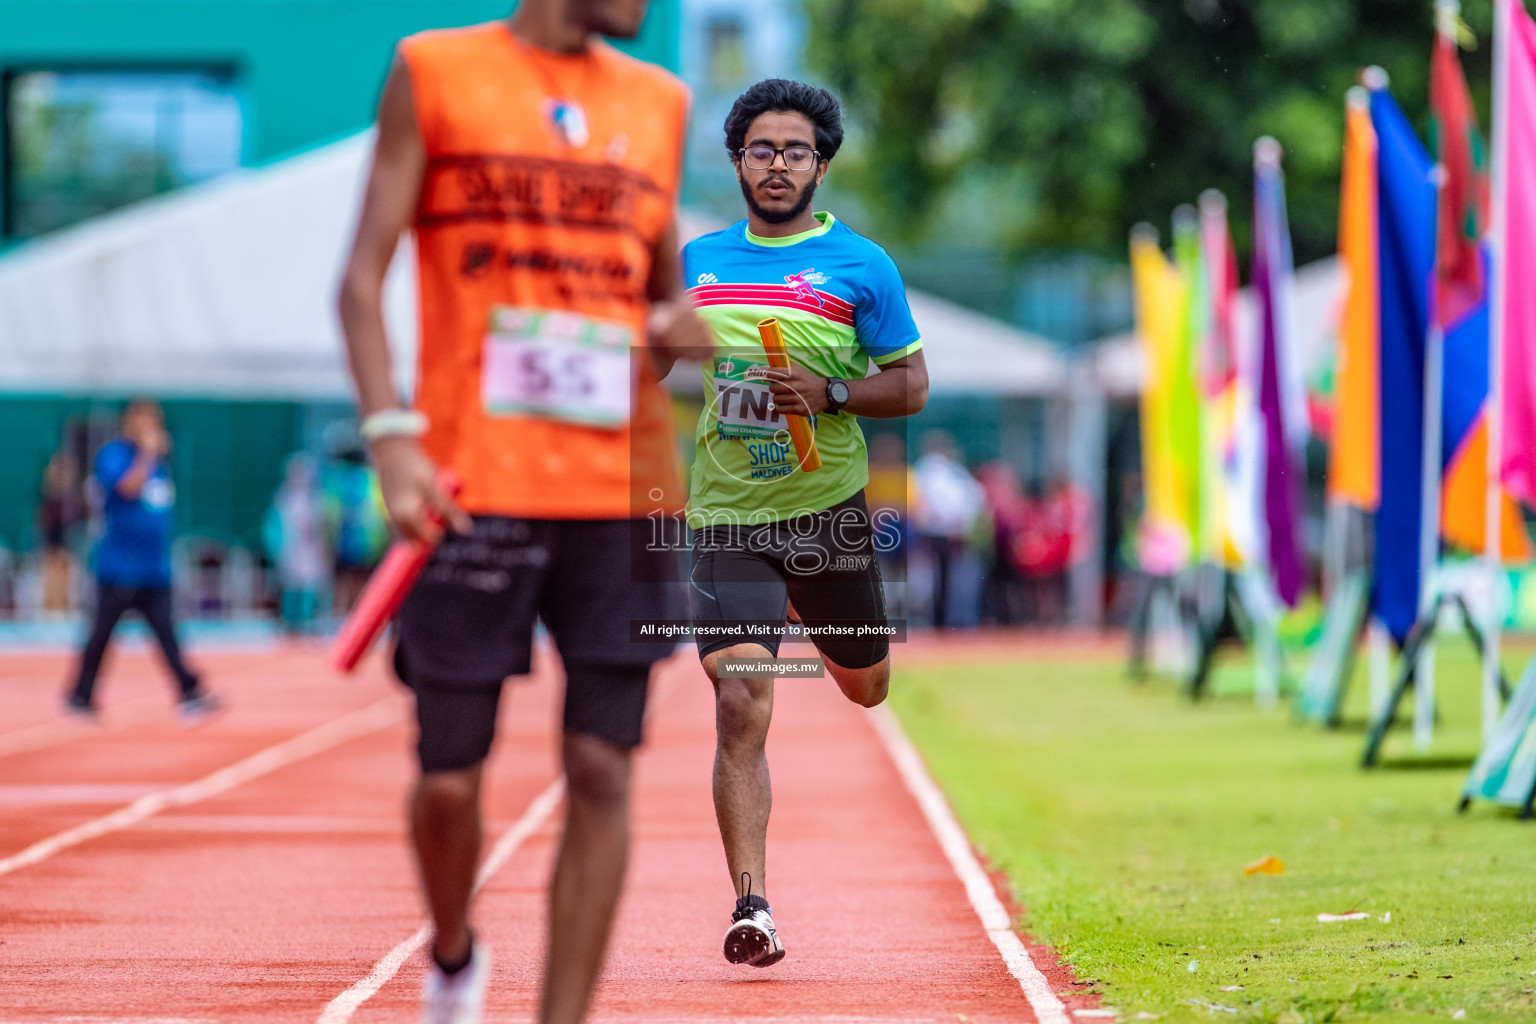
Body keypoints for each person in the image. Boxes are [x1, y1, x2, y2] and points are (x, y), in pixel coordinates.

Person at [335, 0, 704, 1019]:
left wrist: (682, 325)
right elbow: (360, 281)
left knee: (600, 764)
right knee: (449, 778)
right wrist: (390, 436)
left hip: (621, 489)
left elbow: (664, 301)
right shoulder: (434, 71)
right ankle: (454, 954)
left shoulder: (658, 102)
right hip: (471, 487)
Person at [680, 79, 928, 968]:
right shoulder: (696, 263)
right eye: (760, 149)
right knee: (741, 705)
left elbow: (912, 385)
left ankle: (813, 617)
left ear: (820, 164)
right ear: (737, 159)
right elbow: (648, 357)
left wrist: (829, 391)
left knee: (866, 689)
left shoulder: (863, 266)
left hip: (825, 512)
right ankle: (752, 905)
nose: (776, 165)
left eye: (793, 151)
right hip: (725, 516)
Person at [64, 401, 218, 719]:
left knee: (167, 634)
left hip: (154, 568)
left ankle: (189, 691)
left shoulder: (160, 465)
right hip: (120, 567)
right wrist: (147, 455)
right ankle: (80, 695)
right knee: (101, 634)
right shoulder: (115, 456)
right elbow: (128, 488)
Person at [911, 430, 984, 627]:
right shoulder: (942, 470)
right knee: (943, 580)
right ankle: (943, 620)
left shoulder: (933, 469)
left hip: (938, 531)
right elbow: (974, 497)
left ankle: (939, 620)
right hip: (949, 531)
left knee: (938, 580)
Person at [263, 452, 330, 636]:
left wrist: (322, 549)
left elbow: (321, 529)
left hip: (310, 550)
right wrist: (277, 549)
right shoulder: (283, 498)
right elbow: (274, 527)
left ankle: (309, 620)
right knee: (291, 585)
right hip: (290, 550)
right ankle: (290, 621)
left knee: (310, 585)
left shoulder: (317, 499)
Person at [37, 450, 84, 614]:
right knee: (52, 570)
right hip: (54, 533)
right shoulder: (51, 491)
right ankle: (51, 604)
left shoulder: (71, 494)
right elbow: (43, 516)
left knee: (65, 569)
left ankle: (62, 603)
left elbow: (77, 514)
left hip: (66, 533)